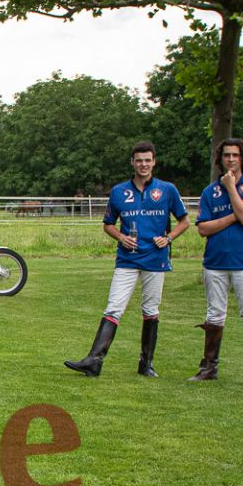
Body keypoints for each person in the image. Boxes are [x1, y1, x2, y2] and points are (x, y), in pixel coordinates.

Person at [65, 140, 190, 378]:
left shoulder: (167, 190)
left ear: (154, 162)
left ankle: (146, 364)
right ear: (132, 162)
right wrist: (121, 237)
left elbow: (185, 221)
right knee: (114, 307)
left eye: (147, 160)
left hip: (155, 259)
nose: (143, 164)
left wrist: (169, 238)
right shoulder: (119, 191)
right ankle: (94, 361)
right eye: (139, 160)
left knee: (150, 310)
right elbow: (108, 224)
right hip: (127, 260)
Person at [191, 137, 243, 385]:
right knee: (214, 314)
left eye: (235, 155)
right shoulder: (209, 192)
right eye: (226, 155)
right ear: (220, 159)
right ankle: (209, 367)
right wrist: (233, 216)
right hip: (215, 261)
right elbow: (203, 228)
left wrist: (231, 188)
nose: (231, 159)